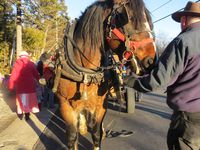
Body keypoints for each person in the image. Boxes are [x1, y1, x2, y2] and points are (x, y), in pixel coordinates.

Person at [124, 1, 200, 150]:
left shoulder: (183, 41)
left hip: (188, 120)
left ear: (184, 20)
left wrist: (129, 81)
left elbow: (158, 80)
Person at [8, 51, 40, 120]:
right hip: (30, 86)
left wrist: (11, 87)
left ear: (20, 57)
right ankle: (27, 114)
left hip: (20, 86)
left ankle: (20, 113)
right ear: (27, 56)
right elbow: (36, 74)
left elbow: (13, 76)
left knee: (21, 99)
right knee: (28, 100)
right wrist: (38, 79)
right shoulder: (31, 64)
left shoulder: (16, 64)